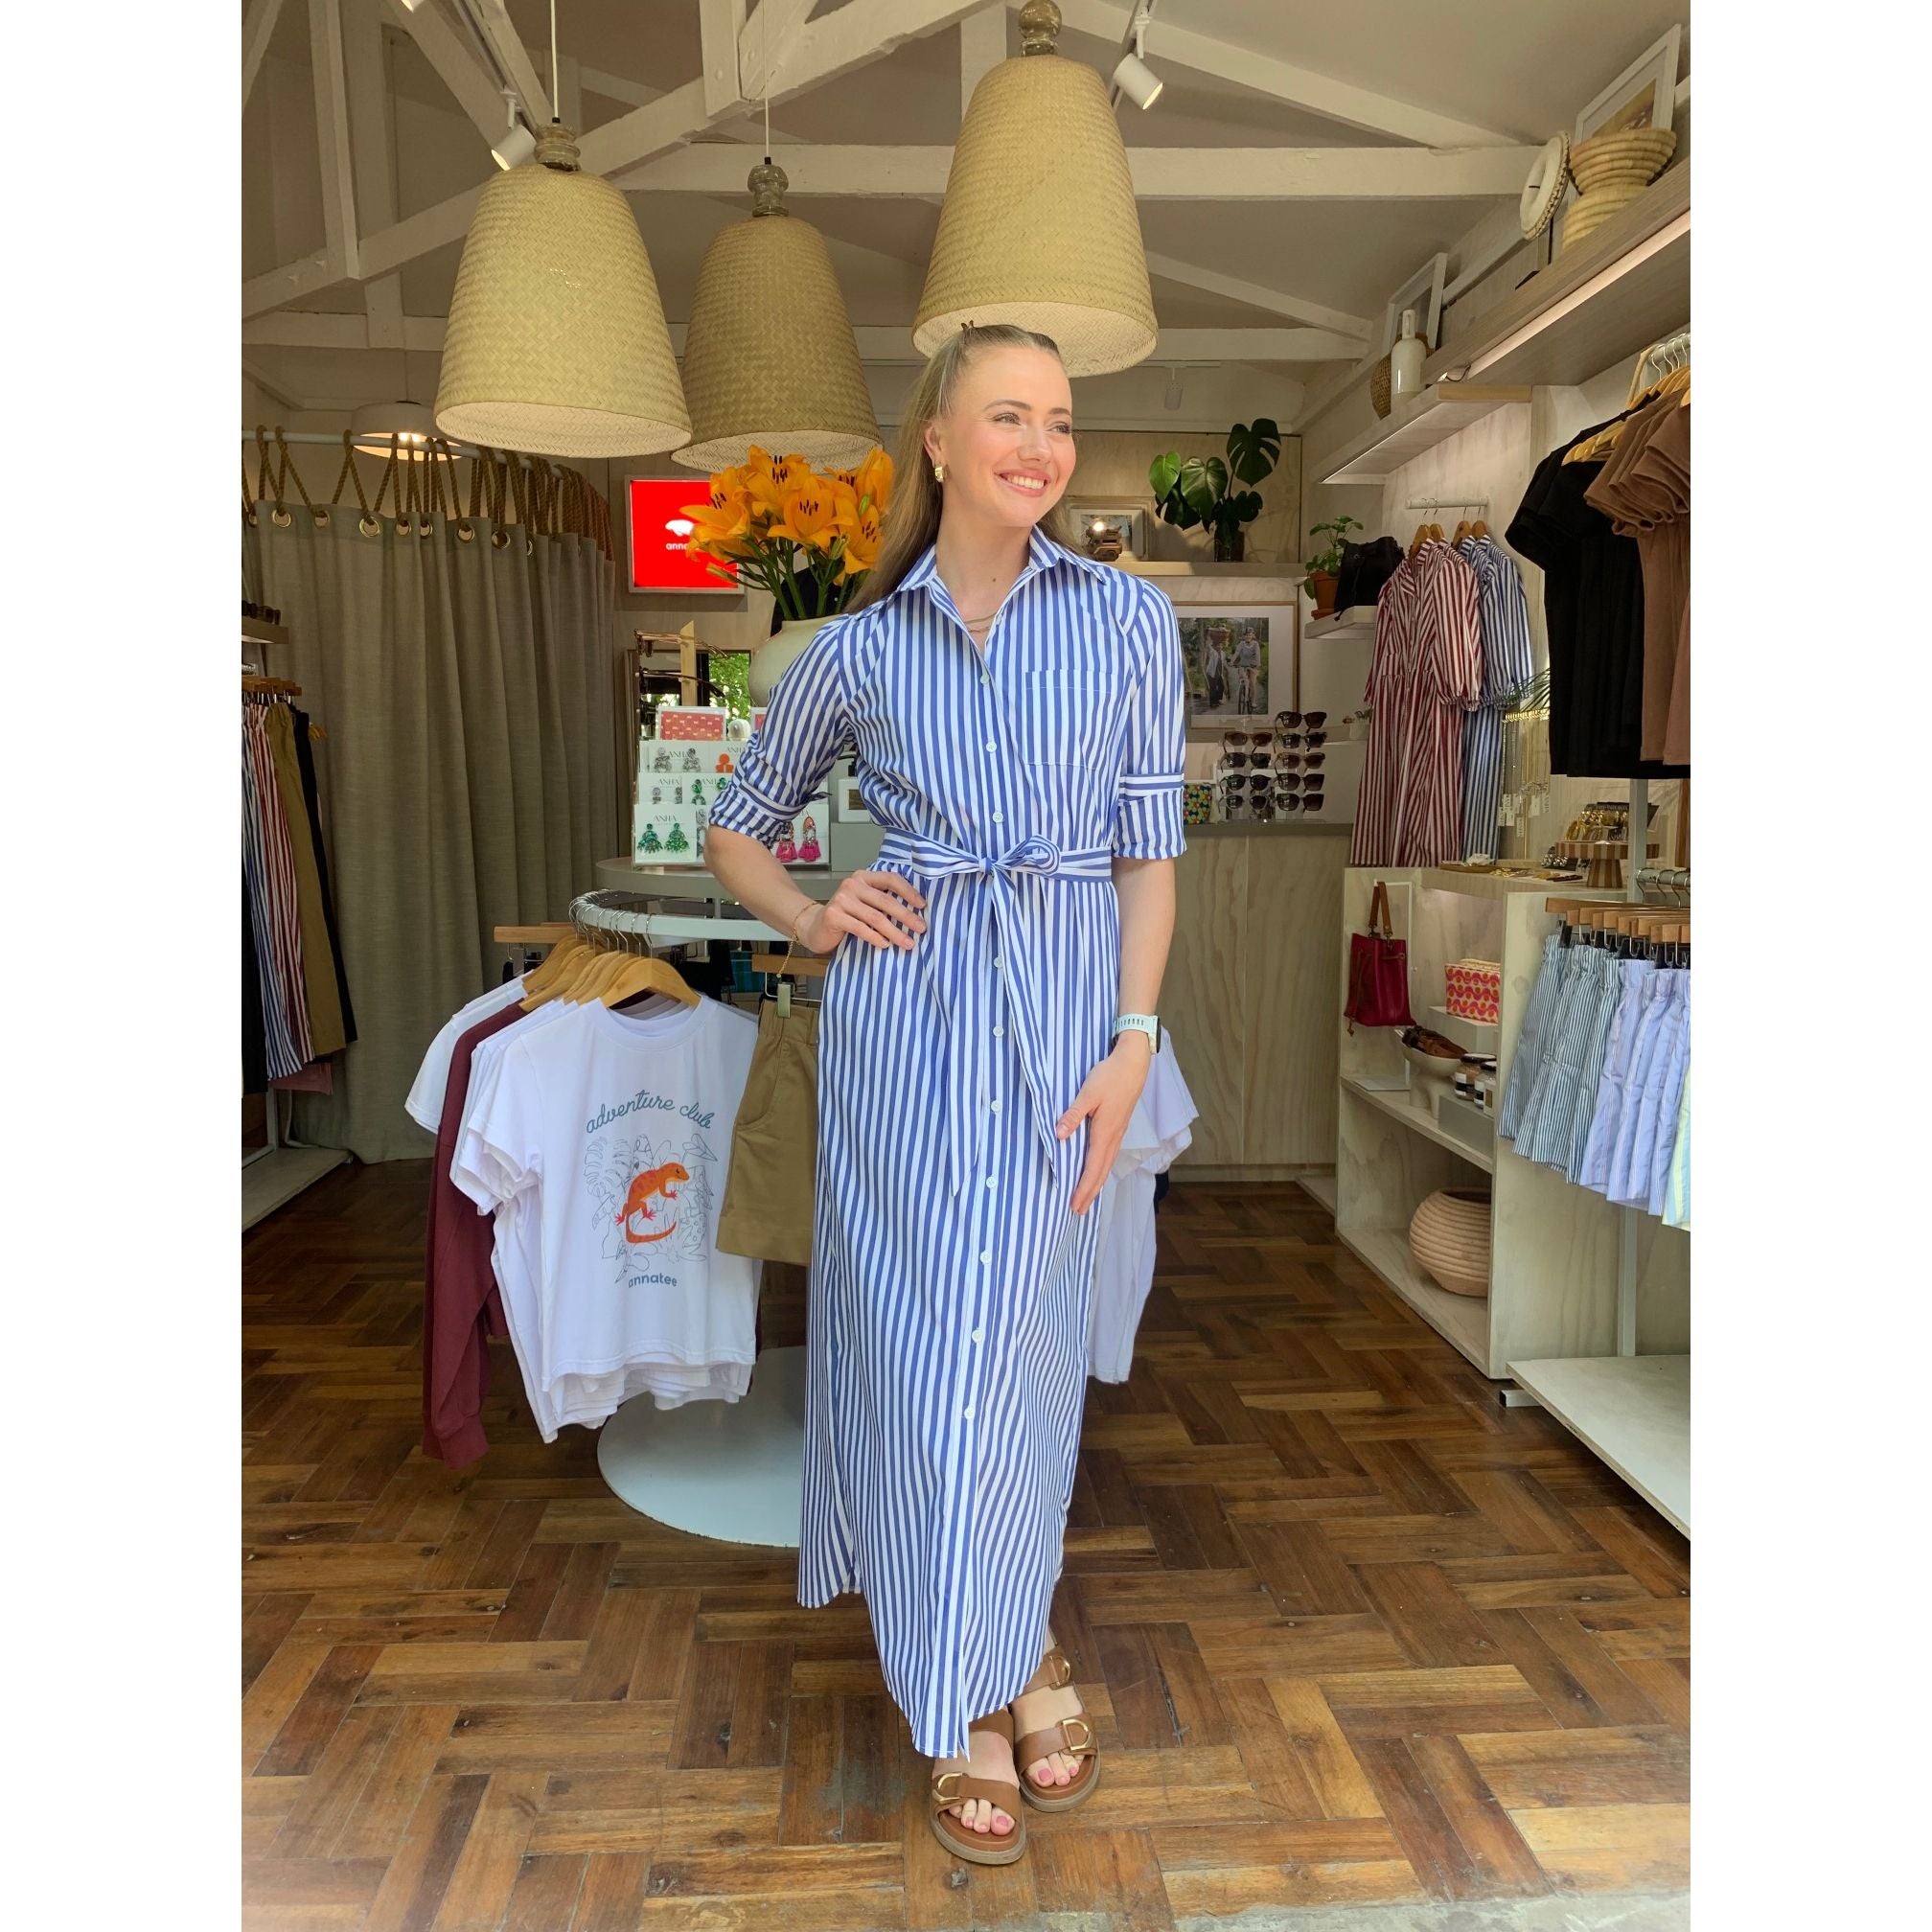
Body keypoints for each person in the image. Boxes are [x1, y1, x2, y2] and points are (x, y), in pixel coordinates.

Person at [704, 323, 1184, 1866]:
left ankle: (1010, 1638)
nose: (1041, 448)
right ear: (937, 438)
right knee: (922, 1357)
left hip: (1064, 1040)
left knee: (1023, 1349)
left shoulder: (1127, 620)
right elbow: (738, 823)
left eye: (1061, 421)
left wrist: (1133, 1042)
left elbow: (1148, 856)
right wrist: (812, 912)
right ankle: (982, 1687)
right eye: (1009, 416)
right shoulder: (856, 649)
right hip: (904, 1034)